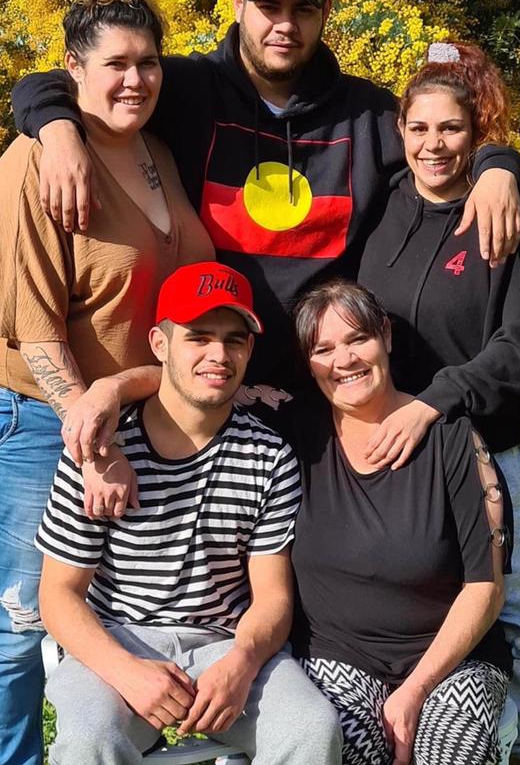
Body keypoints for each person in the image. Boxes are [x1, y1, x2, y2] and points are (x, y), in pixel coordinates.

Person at [11, 0, 520, 408]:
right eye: (268, 6)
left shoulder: (367, 114)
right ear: (238, 3)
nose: (284, 25)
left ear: (324, 13)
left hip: (319, 393)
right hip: (205, 388)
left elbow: (436, 145)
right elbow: (62, 81)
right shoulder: (185, 91)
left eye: (301, 9)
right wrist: (58, 130)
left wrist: (498, 166)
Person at [0, 0, 213, 765]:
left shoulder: (154, 153)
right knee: (22, 611)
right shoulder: (35, 168)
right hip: (42, 415)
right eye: (115, 65)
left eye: (147, 64)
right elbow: (39, 336)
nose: (136, 80)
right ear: (72, 69)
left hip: (129, 403)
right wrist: (96, 444)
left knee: (107, 601)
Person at [35, 261, 343, 765]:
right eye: (197, 337)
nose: (218, 355)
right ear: (160, 344)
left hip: (225, 642)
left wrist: (243, 662)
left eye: (234, 340)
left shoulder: (268, 454)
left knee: (311, 728)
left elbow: (272, 597)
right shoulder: (101, 453)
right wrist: (127, 670)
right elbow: (58, 594)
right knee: (90, 740)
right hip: (118, 641)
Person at [357, 42, 520, 765]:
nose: (432, 144)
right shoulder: (384, 202)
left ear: (475, 132)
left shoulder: (508, 221)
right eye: (418, 129)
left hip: (483, 446)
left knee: (508, 614)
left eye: (451, 129)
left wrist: (436, 401)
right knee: (422, 603)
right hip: (392, 447)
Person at [289, 279, 511, 765]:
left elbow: (486, 588)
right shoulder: (296, 436)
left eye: (357, 339)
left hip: (454, 662)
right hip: (337, 657)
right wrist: (110, 390)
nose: (343, 360)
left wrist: (414, 691)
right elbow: (196, 385)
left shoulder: (450, 436)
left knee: (455, 752)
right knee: (335, 745)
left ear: (385, 336)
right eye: (323, 348)